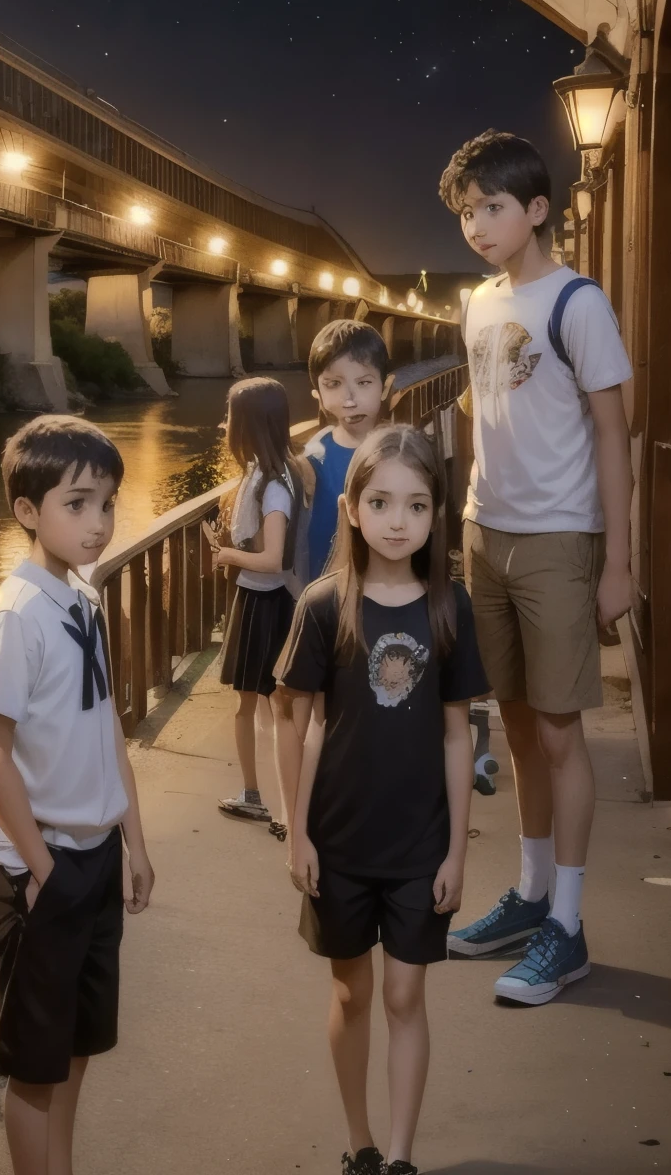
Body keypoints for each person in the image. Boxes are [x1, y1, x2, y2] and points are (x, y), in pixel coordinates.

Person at [438, 129, 634, 1004]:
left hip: (560, 538)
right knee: (514, 721)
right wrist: (465, 523)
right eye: (466, 213)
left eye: (492, 209)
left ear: (538, 211)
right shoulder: (478, 303)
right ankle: (529, 894)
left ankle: (570, 925)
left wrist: (619, 565)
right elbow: (483, 420)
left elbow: (612, 435)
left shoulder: (578, 303)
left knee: (559, 732)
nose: (477, 227)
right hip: (489, 532)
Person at [275, 424, 487, 1175]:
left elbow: (459, 737)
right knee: (353, 992)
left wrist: (458, 850)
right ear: (352, 508)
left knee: (404, 995)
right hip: (339, 839)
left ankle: (399, 1156)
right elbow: (292, 719)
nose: (399, 520)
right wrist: (295, 832)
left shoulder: (448, 607)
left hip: (420, 843)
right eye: (382, 501)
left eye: (418, 504)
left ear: (438, 514)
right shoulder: (327, 604)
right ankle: (359, 1140)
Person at [0, 414, 153, 1174]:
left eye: (107, 503)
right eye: (77, 504)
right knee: (35, 1066)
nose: (99, 522)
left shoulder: (81, 598)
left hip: (96, 852)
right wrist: (45, 869)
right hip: (40, 866)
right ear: (27, 512)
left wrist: (134, 841)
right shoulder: (17, 614)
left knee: (78, 1048)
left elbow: (107, 723)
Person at [212, 376, 308, 838]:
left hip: (264, 603)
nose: (225, 424)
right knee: (269, 709)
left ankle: (264, 799)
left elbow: (271, 560)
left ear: (247, 424)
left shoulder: (271, 486)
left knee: (262, 709)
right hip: (266, 600)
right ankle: (277, 803)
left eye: (231, 417)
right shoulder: (276, 472)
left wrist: (227, 555)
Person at [305, 319, 393, 584]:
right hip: (324, 590)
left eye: (364, 383)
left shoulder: (400, 452)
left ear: (385, 387)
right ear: (318, 396)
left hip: (383, 587)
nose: (350, 400)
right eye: (333, 384)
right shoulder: (313, 456)